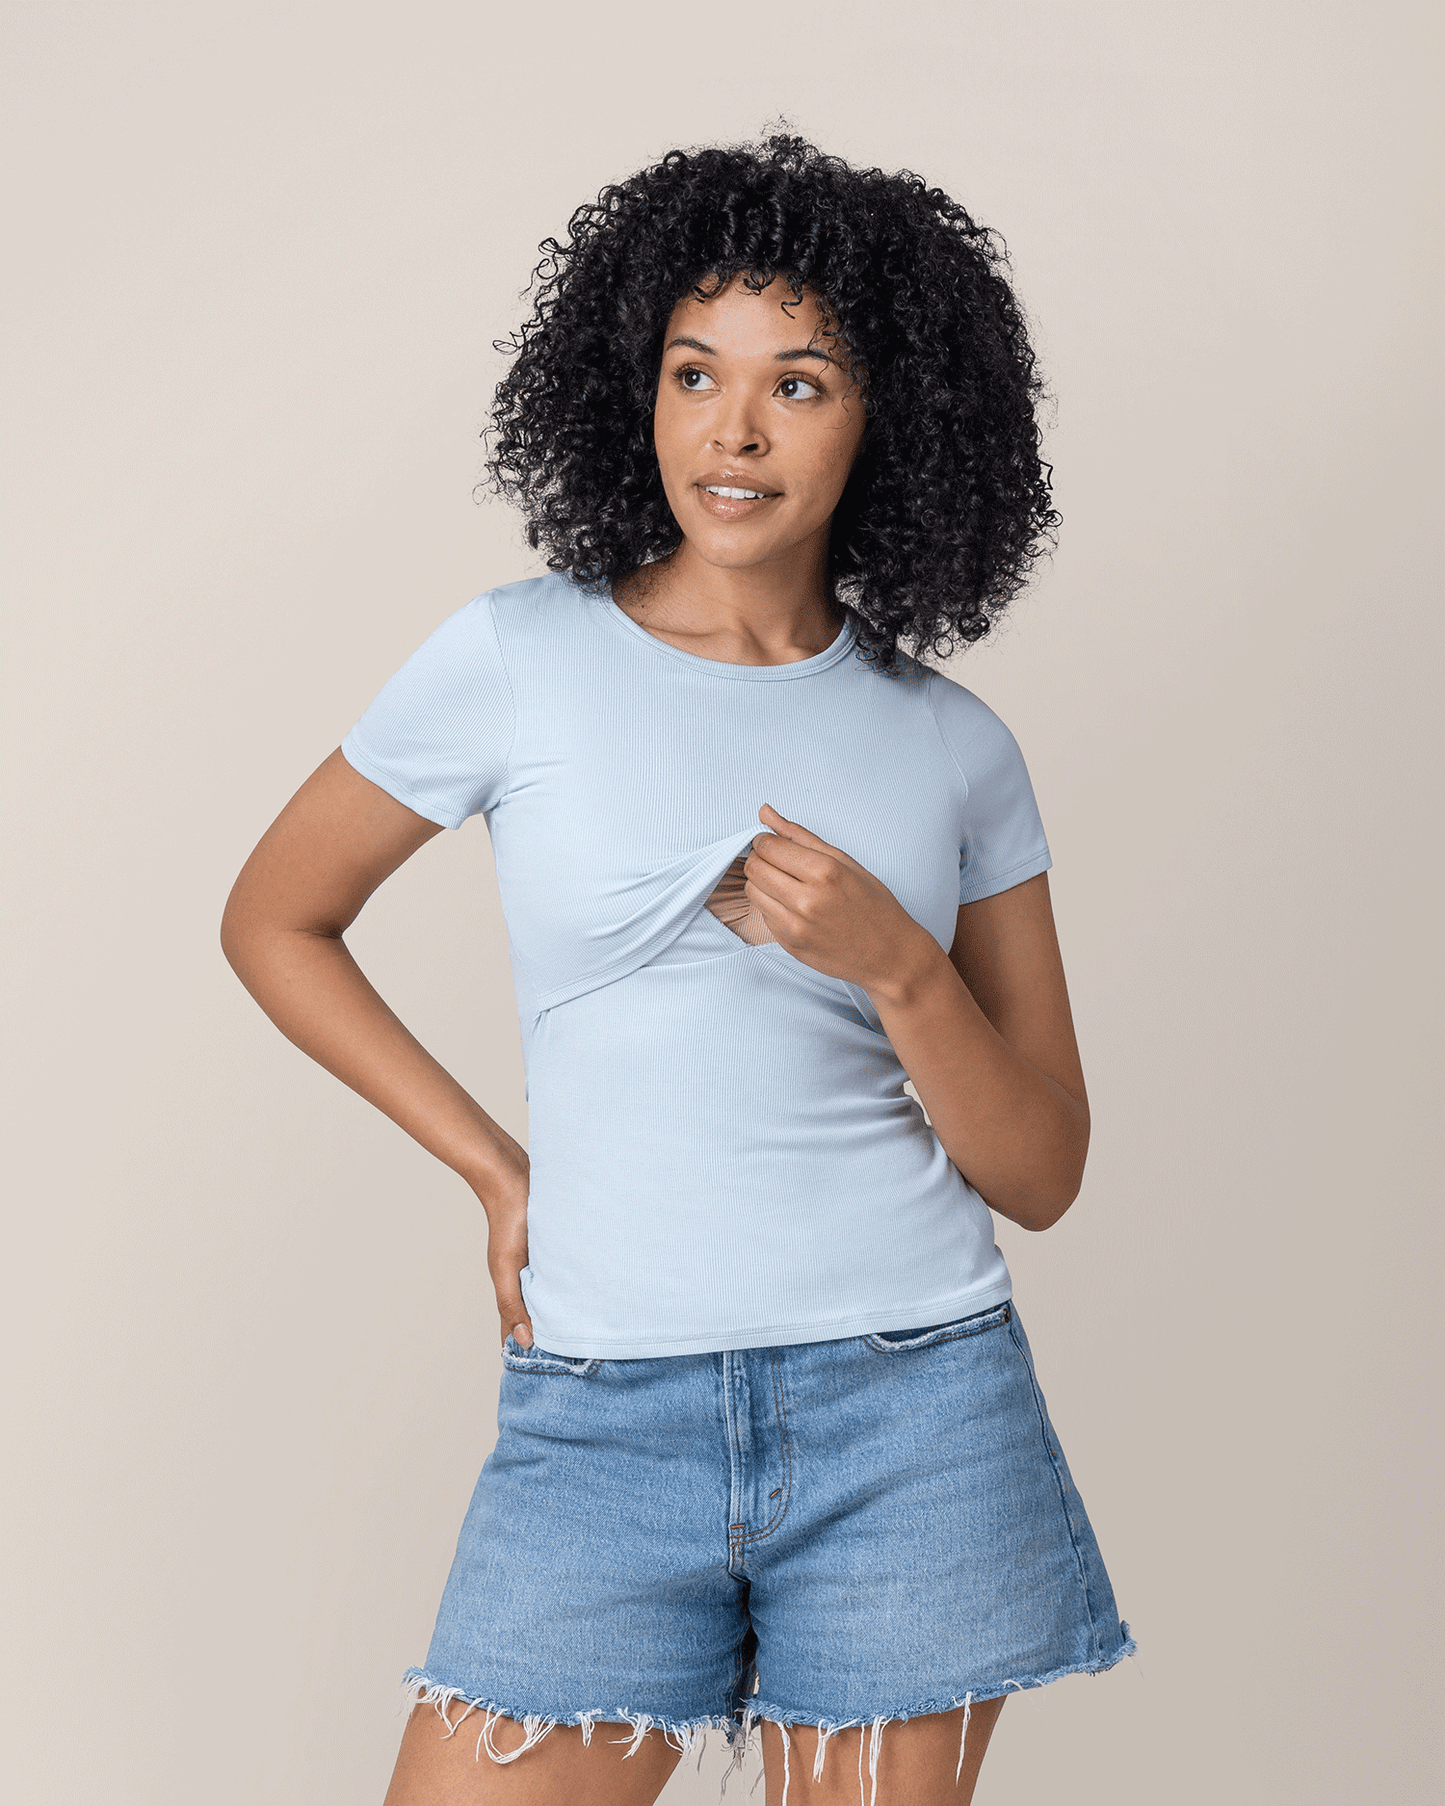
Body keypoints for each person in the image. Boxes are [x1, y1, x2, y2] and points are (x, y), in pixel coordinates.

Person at [221, 131, 1135, 1806]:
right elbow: (274, 918)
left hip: (913, 1412)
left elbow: (1046, 1167)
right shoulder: (512, 659)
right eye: (693, 371)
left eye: (799, 382)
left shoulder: (953, 751)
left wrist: (899, 970)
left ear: (892, 419)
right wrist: (497, 1168)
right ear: (629, 385)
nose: (732, 429)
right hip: (600, 1416)